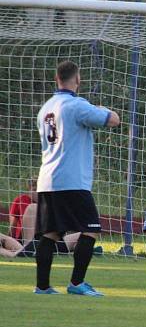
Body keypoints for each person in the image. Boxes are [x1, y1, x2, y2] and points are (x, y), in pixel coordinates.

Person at [34, 60, 121, 296]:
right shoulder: (77, 105)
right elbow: (113, 120)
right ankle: (76, 283)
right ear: (78, 80)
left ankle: (42, 287)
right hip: (71, 180)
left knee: (50, 233)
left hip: (47, 179)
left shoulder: (46, 108)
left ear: (56, 79)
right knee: (91, 228)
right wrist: (104, 109)